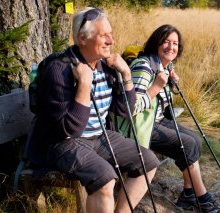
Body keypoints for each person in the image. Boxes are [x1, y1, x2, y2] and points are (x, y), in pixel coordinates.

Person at [27, 7, 160, 213]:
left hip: (99, 137)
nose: (111, 41)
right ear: (82, 38)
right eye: (104, 36)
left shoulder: (105, 66)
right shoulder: (59, 70)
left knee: (149, 162)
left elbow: (125, 111)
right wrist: (84, 86)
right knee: (105, 179)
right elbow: (70, 130)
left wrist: (126, 74)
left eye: (111, 35)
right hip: (63, 143)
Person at [116, 24, 220, 213]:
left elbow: (161, 106)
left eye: (175, 43)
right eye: (166, 42)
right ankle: (203, 200)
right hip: (138, 128)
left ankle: (188, 194)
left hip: (155, 120)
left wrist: (170, 85)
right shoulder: (144, 67)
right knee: (187, 144)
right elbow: (131, 107)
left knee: (194, 139)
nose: (171, 47)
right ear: (156, 44)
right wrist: (157, 87)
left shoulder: (163, 66)